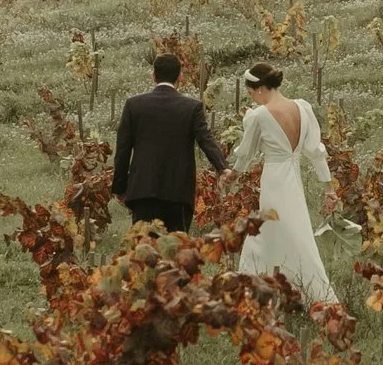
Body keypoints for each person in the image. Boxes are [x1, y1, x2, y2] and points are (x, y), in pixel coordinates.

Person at [230, 62, 340, 306]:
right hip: (293, 179)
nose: (253, 99)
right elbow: (315, 151)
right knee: (293, 233)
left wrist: (233, 175)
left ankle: (251, 296)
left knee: (261, 236)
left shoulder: (259, 115)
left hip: (274, 180)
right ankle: (290, 292)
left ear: (259, 89)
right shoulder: (303, 107)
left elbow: (246, 153)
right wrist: (328, 187)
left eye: (251, 94)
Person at [112, 52, 228, 233]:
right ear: (180, 77)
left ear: (154, 76)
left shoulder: (134, 105)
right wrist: (222, 167)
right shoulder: (192, 107)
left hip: (143, 191)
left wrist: (120, 187)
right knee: (175, 254)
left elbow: (123, 149)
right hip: (178, 192)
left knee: (144, 254)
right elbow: (206, 140)